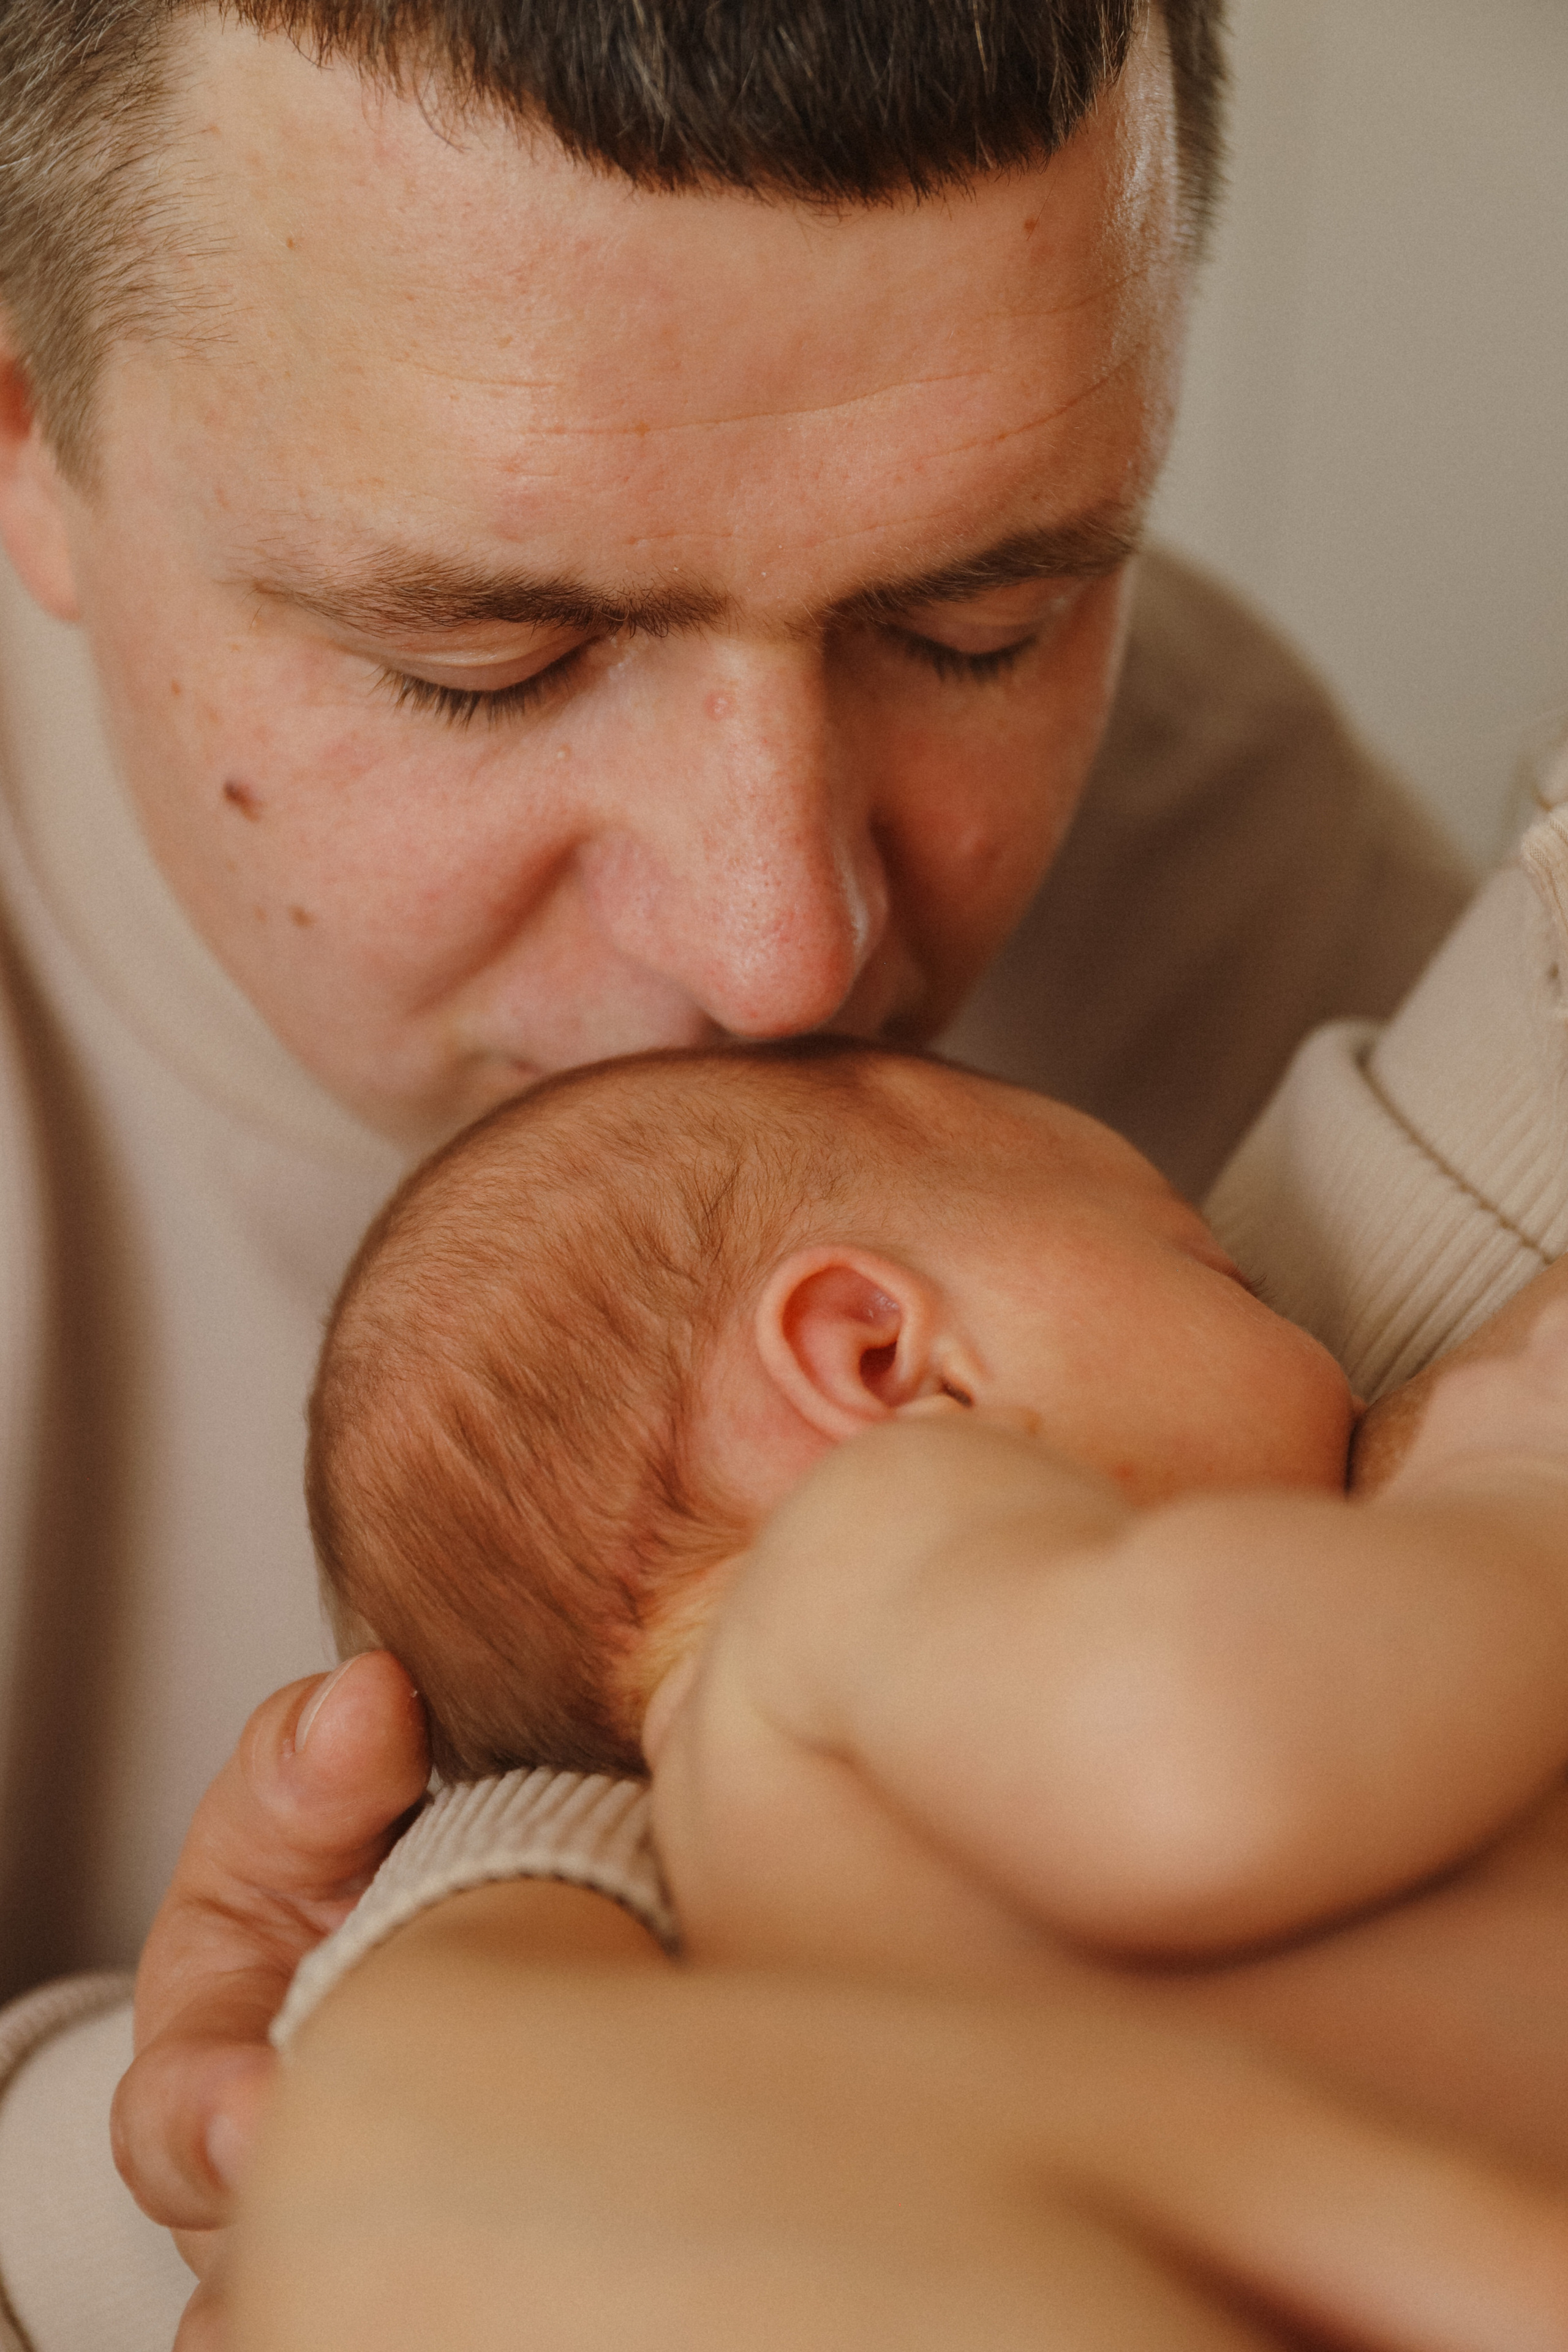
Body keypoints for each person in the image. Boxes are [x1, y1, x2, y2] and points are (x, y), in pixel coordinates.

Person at [0, 1, 1535, 2344]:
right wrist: (144, 2171)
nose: (782, 942)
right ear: (27, 432)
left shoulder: (1224, 837)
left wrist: (517, 1937)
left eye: (976, 624)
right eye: (490, 659)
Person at [285, 1038, 1568, 2159]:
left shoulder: (760, 1881)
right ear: (883, 1358)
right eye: (1217, 1273)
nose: (1336, 1370)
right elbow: (1194, 1750)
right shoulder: (867, 1545)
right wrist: (1509, 1474)